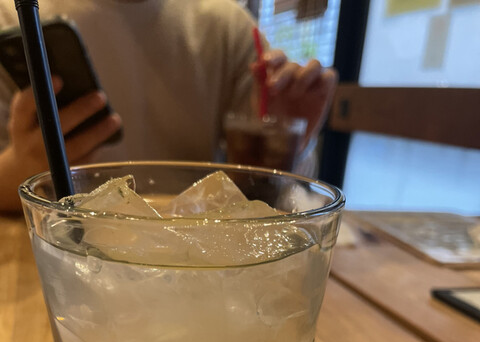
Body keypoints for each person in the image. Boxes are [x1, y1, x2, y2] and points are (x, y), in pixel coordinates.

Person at [0, 0, 337, 212]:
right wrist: (19, 170)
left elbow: (273, 193)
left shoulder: (230, 27)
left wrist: (288, 143)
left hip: (205, 261)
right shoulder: (12, 17)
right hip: (51, 260)